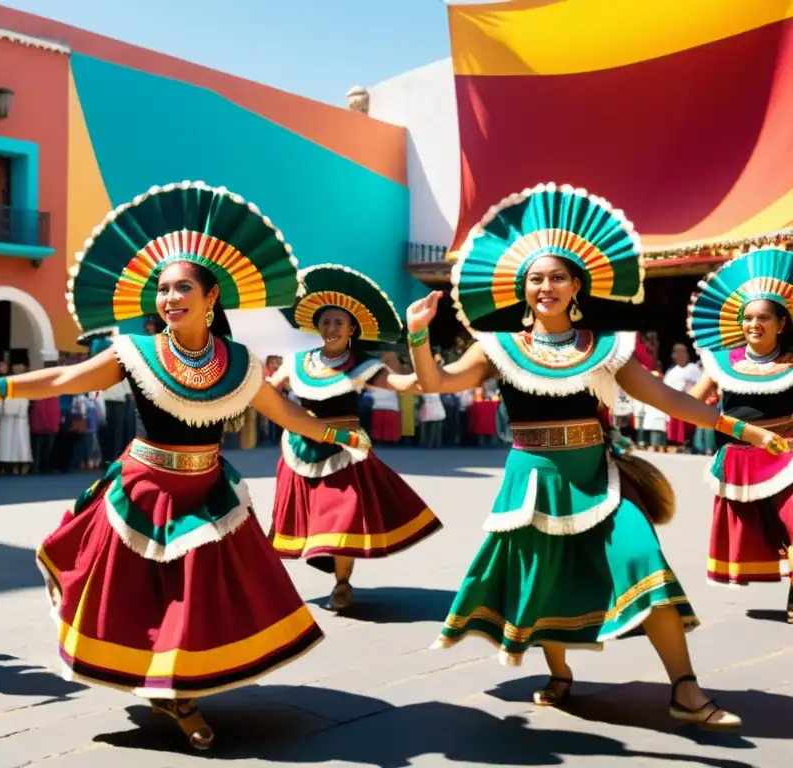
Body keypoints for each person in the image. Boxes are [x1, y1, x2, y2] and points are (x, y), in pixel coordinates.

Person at [0, 182, 370, 750]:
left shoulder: (239, 363)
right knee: (145, 601)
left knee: (198, 599)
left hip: (208, 490)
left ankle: (178, 684)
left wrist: (340, 432)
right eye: (164, 289)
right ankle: (175, 696)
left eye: (182, 288)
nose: (170, 298)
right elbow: (62, 379)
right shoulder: (135, 351)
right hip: (144, 491)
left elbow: (288, 415)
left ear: (211, 297)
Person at [406, 183, 790, 730]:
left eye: (557, 276)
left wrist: (742, 431)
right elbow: (436, 383)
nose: (546, 286)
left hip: (598, 477)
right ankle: (559, 673)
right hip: (532, 482)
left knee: (644, 563)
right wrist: (418, 335)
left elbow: (670, 398)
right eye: (536, 278)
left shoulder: (606, 345)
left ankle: (685, 687)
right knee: (542, 580)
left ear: (576, 285)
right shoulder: (497, 345)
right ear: (523, 286)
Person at [268, 265, 441, 611]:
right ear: (317, 326)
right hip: (299, 451)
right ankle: (330, 575)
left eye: (339, 322)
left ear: (351, 329)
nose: (331, 328)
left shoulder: (362, 365)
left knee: (342, 519)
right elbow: (266, 395)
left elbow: (404, 385)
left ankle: (342, 584)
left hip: (345, 452)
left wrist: (421, 351)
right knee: (314, 523)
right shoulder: (296, 362)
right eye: (326, 321)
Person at [687, 248, 793, 620]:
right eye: (748, 317)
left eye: (763, 317)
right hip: (739, 460)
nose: (753, 324)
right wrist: (715, 402)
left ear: (781, 323)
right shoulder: (721, 361)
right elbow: (690, 408)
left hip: (787, 453)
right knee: (764, 530)